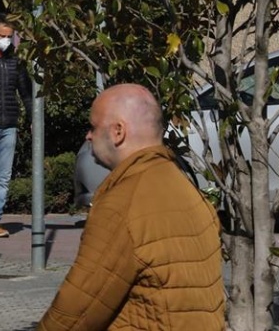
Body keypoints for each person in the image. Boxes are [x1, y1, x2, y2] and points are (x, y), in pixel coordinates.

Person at [37, 84, 225, 331]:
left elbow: (78, 309)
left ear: (118, 132)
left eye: (93, 127)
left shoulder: (123, 203)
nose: (88, 136)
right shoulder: (188, 190)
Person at [0, 15, 32, 239]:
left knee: (4, 177)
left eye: (10, 37)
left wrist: (32, 119)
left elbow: (26, 93)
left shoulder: (16, 61)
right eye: (2, 36)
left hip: (9, 124)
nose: (6, 40)